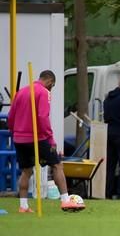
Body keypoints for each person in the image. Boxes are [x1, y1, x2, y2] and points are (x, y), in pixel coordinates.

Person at [7, 70, 84, 212]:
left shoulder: (21, 92)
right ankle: (66, 201)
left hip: (19, 138)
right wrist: (50, 139)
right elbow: (43, 117)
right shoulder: (43, 92)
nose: (51, 89)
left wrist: (14, 133)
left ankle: (23, 206)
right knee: (57, 165)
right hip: (37, 138)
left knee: (26, 171)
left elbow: (10, 117)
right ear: (49, 82)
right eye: (52, 86)